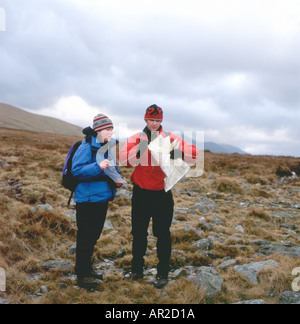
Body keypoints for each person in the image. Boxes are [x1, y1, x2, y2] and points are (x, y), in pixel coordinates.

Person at [119, 104, 200, 288]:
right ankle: (136, 271)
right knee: (138, 233)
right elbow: (124, 160)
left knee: (163, 234)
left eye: (157, 120)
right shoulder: (136, 138)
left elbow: (194, 155)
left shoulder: (170, 138)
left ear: (161, 121)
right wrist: (141, 148)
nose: (154, 123)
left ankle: (162, 273)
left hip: (162, 194)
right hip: (141, 193)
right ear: (145, 120)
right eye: (151, 120)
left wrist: (176, 152)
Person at [71, 113, 125, 290]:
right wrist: (97, 166)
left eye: (111, 129)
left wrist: (119, 179)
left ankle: (88, 270)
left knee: (93, 236)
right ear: (98, 130)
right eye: (107, 129)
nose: (110, 132)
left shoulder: (107, 148)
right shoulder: (86, 146)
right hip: (86, 199)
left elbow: (113, 168)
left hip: (102, 199)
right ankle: (82, 275)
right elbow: (76, 170)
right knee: (85, 237)